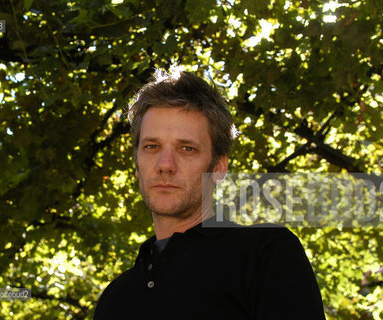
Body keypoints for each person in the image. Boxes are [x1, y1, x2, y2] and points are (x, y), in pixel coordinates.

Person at [93, 68, 326, 319]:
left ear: (218, 167)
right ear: (137, 164)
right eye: (152, 146)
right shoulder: (115, 297)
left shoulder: (264, 255)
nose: (165, 164)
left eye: (187, 148)